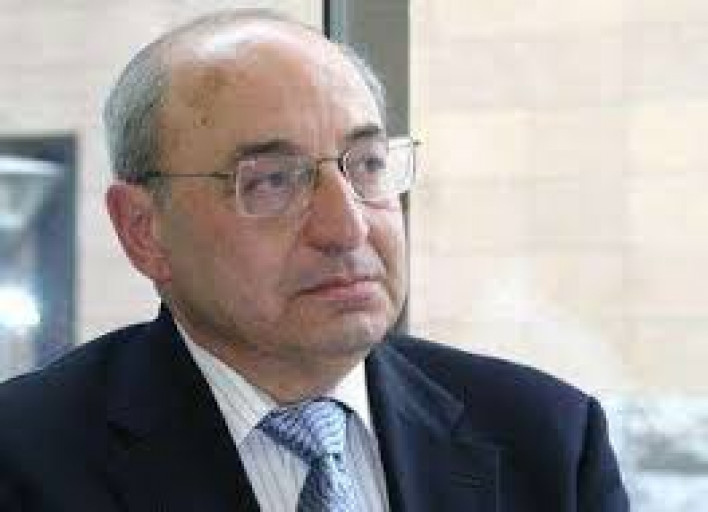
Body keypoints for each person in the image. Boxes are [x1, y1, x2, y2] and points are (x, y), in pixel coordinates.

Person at [0, 9, 629, 512]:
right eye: (272, 180)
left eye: (368, 165)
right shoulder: (26, 461)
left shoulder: (546, 439)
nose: (347, 227)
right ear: (145, 230)